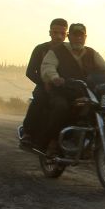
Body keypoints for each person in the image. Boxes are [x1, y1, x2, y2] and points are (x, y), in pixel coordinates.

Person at [40, 22, 105, 155]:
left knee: (101, 108)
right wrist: (55, 77)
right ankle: (53, 142)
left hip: (86, 92)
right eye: (75, 35)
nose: (78, 38)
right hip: (62, 91)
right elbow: (47, 67)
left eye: (81, 35)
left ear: (85, 37)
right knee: (61, 107)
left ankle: (93, 139)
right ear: (69, 36)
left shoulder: (92, 53)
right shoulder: (57, 51)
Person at [20, 18, 68, 147]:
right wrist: (44, 83)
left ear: (66, 34)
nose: (58, 36)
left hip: (65, 88)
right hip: (44, 87)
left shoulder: (69, 51)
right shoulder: (40, 49)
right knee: (39, 99)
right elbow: (30, 71)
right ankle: (27, 133)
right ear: (50, 33)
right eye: (55, 32)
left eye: (62, 34)